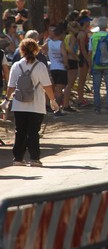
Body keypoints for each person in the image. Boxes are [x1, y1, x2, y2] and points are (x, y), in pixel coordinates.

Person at [5, 38, 59, 166]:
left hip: (19, 104)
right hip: (36, 105)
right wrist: (53, 100)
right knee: (33, 131)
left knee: (20, 131)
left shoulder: (16, 65)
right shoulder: (40, 66)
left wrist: (7, 99)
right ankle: (34, 158)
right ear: (36, 50)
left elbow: (11, 86)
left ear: (21, 50)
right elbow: (47, 85)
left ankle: (18, 158)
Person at [89, 16, 108, 114]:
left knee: (96, 87)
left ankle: (97, 107)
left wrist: (90, 65)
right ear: (106, 26)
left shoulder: (93, 37)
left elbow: (90, 52)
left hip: (96, 65)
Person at [47, 23, 68, 116]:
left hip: (52, 67)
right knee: (59, 90)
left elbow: (43, 50)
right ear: (60, 34)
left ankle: (51, 107)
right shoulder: (61, 43)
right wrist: (66, 64)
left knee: (53, 89)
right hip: (60, 68)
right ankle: (57, 109)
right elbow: (64, 54)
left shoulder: (49, 42)